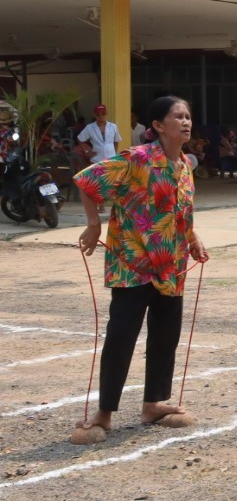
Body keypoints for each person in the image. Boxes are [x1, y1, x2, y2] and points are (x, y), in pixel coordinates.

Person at [69, 95, 209, 445]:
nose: (186, 121)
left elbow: (179, 212)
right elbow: (87, 181)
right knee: (121, 337)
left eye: (188, 116)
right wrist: (92, 225)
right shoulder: (136, 158)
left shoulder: (185, 166)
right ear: (159, 126)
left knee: (165, 336)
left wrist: (193, 238)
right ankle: (104, 413)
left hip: (171, 265)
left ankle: (153, 403)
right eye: (178, 116)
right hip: (133, 263)